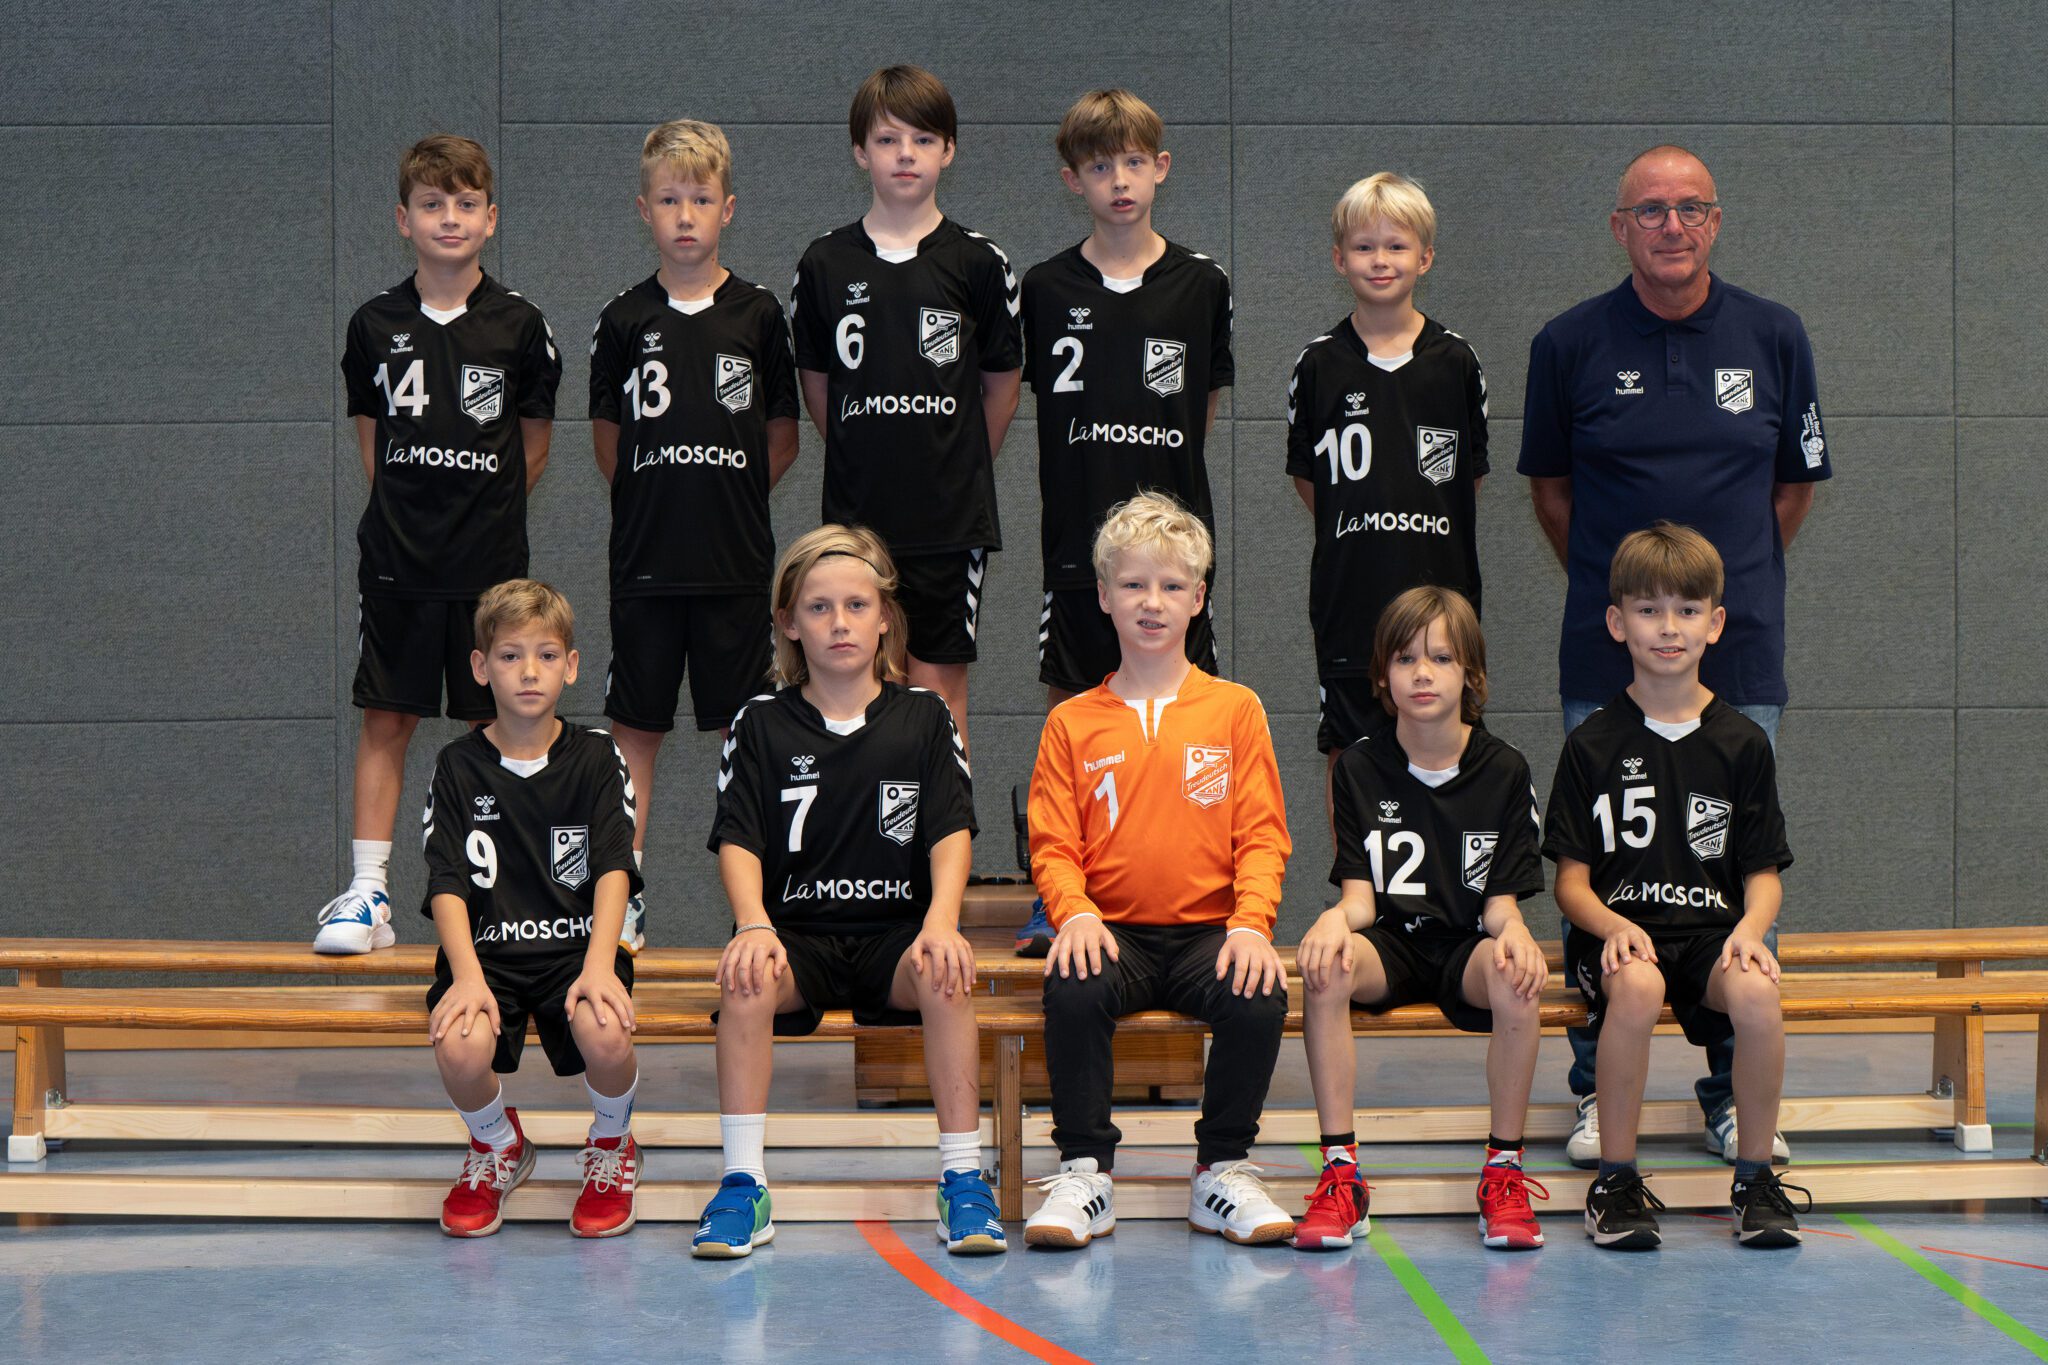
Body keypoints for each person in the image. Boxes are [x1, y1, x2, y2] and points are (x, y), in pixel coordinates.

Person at [1519, 144, 1829, 1166]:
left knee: (1736, 863)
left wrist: (1706, 608)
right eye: (1649, 210)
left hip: (1737, 657)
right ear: (1619, 228)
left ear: (1715, 220)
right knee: (1603, 865)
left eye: (1690, 207)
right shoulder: (1566, 342)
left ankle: (1732, 1093)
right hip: (1603, 661)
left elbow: (1792, 489)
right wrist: (1633, 607)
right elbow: (1551, 495)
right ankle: (1592, 1088)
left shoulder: (1774, 335)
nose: (1670, 225)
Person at [695, 524, 1003, 1258]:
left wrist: (942, 921)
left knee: (946, 969)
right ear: (788, 622)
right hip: (795, 938)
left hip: (895, 938)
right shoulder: (759, 722)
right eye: (820, 607)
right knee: (744, 979)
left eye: (857, 605)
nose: (840, 622)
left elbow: (950, 831)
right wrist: (752, 924)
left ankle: (963, 1179)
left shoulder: (924, 715)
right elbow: (739, 839)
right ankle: (743, 1184)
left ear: (885, 617)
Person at [1023, 493, 1294, 1249]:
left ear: (1198, 598)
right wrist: (1075, 913)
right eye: (1135, 584)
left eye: (1172, 585)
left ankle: (1221, 1171)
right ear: (1103, 596)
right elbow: (1052, 843)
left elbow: (1263, 835)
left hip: (1210, 931)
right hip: (1112, 931)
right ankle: (1085, 1174)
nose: (1153, 602)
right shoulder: (1071, 721)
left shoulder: (1236, 710)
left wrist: (1251, 924)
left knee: (1258, 991)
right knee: (1073, 984)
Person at [318, 135, 563, 954]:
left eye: (465, 203)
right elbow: (374, 446)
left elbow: (532, 450)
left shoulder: (521, 326)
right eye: (432, 204)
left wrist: (478, 517)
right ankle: (369, 891)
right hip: (399, 565)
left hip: (491, 576)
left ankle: (500, 895)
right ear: (404, 219)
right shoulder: (373, 324)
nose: (448, 218)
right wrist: (413, 514)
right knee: (387, 717)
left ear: (490, 219)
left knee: (496, 725)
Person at [1012, 86, 1234, 957]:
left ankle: (1191, 897)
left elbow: (1198, 414)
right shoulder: (1043, 287)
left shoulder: (1202, 284)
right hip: (1078, 556)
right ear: (1073, 179)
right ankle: (1059, 897)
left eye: (1134, 162)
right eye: (1100, 166)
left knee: (1186, 729)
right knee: (1074, 728)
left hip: (1171, 566)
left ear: (1161, 168)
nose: (1119, 180)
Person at [1544, 524, 1807, 1250]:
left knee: (1757, 994)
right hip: (1622, 935)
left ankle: (1755, 1180)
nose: (1669, 627)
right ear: (1617, 622)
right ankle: (1616, 1181)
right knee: (1635, 988)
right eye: (1649, 610)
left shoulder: (1742, 743)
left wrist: (1748, 931)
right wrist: (1609, 926)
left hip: (1710, 937)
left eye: (1687, 610)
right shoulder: (1591, 743)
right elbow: (1570, 883)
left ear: (1715, 624)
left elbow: (1762, 874)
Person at [590, 118, 799, 954]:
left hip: (734, 565)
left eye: (701, 200)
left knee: (742, 735)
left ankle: (758, 905)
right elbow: (609, 444)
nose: (686, 215)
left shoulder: (759, 314)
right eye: (670, 200)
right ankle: (626, 899)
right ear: (644, 210)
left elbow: (781, 438)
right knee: (634, 733)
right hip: (646, 564)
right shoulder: (621, 318)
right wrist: (663, 496)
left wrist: (724, 496)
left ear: (728, 209)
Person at [1295, 587, 1548, 1252]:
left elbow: (1499, 907)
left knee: (1516, 974)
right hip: (1391, 944)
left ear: (1471, 673)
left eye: (1441, 657)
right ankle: (1342, 1174)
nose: (1423, 673)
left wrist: (1517, 932)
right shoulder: (1359, 766)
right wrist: (1333, 921)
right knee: (1326, 966)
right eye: (1406, 658)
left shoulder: (1504, 769)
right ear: (1383, 676)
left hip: (1466, 946)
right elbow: (1360, 899)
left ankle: (1504, 1172)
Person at [789, 64, 1022, 759]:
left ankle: (944, 829)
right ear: (860, 151)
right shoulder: (824, 263)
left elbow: (1001, 387)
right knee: (862, 686)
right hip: (856, 521)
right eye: (888, 140)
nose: (905, 155)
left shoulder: (980, 263)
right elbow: (819, 389)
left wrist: (954, 455)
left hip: (949, 520)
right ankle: (873, 827)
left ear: (949, 150)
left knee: (938, 691)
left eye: (923, 140)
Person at [420, 580, 643, 1238]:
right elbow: (446, 883)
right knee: (459, 1045)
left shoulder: (598, 756)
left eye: (546, 655)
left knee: (604, 1027)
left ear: (570, 667)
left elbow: (614, 868)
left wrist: (600, 964)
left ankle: (613, 1143)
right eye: (510, 655)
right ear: (480, 666)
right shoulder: (456, 766)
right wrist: (466, 977)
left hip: (577, 951)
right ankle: (497, 1143)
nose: (528, 671)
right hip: (489, 957)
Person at [1285, 172, 1488, 835]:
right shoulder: (1317, 364)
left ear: (1425, 258)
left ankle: (1442, 891)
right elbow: (1311, 484)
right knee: (1351, 753)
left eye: (1397, 246)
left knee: (1448, 746)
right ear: (1338, 258)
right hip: (1352, 597)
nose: (1381, 260)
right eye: (1364, 247)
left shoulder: (1457, 362)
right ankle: (1358, 886)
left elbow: (1466, 482)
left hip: (1442, 594)